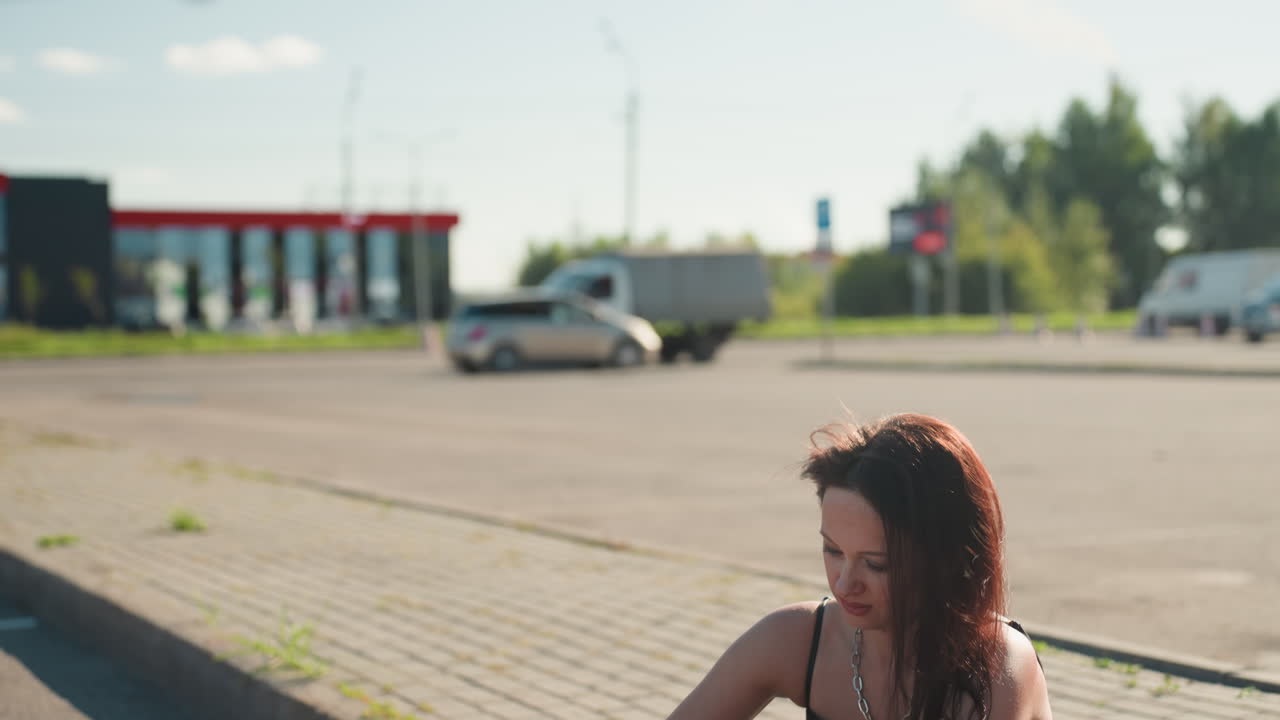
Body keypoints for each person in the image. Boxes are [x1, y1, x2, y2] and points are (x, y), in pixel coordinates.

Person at [668, 413, 1051, 720]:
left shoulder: (998, 668)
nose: (845, 582)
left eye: (876, 564)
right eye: (832, 550)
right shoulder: (797, 638)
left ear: (946, 559)